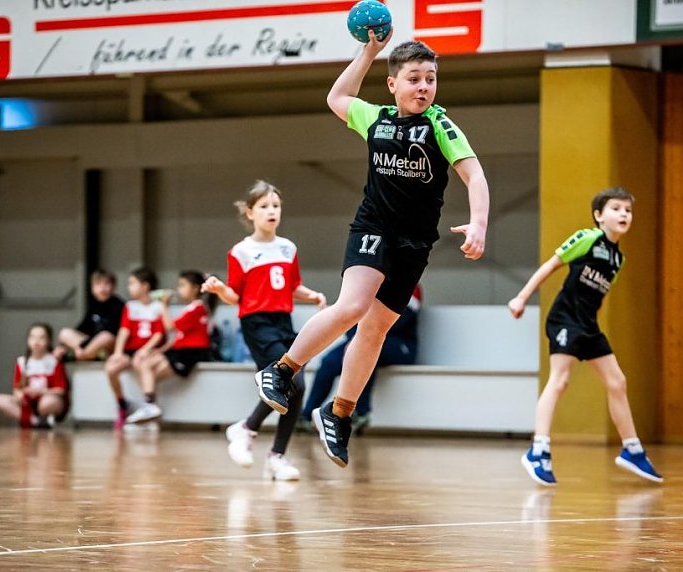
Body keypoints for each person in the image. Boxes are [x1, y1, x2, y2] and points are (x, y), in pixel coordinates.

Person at [250, 34, 489, 468]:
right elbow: (337, 96)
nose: (423, 87)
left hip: (415, 244)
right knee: (353, 306)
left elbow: (475, 176)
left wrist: (479, 223)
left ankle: (338, 413)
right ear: (393, 84)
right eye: (414, 79)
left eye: (431, 79)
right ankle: (282, 371)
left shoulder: (441, 126)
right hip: (374, 227)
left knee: (376, 328)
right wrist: (367, 53)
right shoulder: (374, 118)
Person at [508, 187, 663, 486]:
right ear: (598, 215)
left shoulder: (618, 259)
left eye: (627, 210)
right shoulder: (587, 238)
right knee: (560, 380)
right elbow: (551, 266)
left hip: (588, 325)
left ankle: (632, 450)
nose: (623, 214)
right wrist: (521, 297)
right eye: (616, 208)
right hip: (564, 319)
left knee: (618, 382)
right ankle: (538, 451)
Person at [203, 180, 327, 481]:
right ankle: (248, 429)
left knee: (295, 388)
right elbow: (236, 295)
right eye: (264, 206)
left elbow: (291, 286)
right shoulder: (241, 252)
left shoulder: (288, 248)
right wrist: (220, 290)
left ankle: (274, 454)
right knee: (292, 382)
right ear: (250, 213)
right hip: (257, 323)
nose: (272, 211)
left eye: (276, 205)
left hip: (284, 321)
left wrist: (312, 296)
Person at [300, 284, 421, 432]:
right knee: (329, 362)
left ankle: (361, 412)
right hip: (364, 338)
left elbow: (397, 322)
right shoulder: (368, 279)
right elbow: (351, 316)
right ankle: (306, 416)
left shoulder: (412, 284)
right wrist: (355, 341)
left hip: (400, 344)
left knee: (367, 351)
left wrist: (360, 341)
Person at [124, 270, 213, 426]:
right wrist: (160, 350)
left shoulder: (197, 308)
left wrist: (163, 305)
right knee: (148, 373)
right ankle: (149, 411)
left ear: (195, 288)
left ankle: (150, 407)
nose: (179, 290)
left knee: (147, 370)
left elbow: (169, 327)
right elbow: (179, 336)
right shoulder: (192, 308)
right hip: (180, 350)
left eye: (182, 285)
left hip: (190, 353)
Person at [105, 268, 165, 430]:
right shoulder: (130, 306)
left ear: (145, 286)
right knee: (111, 368)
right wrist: (118, 352)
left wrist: (146, 349)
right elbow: (124, 331)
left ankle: (148, 408)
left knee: (141, 363)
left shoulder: (158, 307)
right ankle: (122, 404)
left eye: (132, 283)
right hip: (130, 350)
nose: (129, 287)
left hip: (148, 350)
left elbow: (159, 333)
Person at [0, 323, 69, 429]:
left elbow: (61, 390)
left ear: (49, 341)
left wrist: (40, 392)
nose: (36, 341)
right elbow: (17, 389)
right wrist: (23, 395)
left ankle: (45, 418)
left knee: (47, 402)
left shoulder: (54, 361)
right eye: (32, 337)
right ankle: (34, 420)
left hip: (47, 400)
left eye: (41, 337)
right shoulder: (22, 362)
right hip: (28, 402)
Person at [54, 269, 124, 362]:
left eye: (106, 284)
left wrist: (82, 346)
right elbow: (83, 327)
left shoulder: (119, 305)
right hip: (90, 343)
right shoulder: (93, 305)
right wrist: (64, 346)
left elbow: (113, 331)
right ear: (92, 288)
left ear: (113, 287)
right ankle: (89, 354)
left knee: (105, 336)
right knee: (64, 333)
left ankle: (81, 355)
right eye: (98, 284)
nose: (102, 288)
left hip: (109, 344)